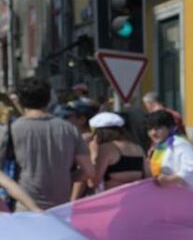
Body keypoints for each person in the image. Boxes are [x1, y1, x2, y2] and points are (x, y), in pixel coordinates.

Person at [0, 81, 93, 209]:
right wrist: (65, 178)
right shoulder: (69, 129)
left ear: (20, 101)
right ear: (48, 100)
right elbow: (89, 171)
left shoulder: (11, 129)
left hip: (25, 206)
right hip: (60, 207)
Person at [145, 109, 193, 188]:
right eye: (150, 129)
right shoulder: (157, 147)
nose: (153, 133)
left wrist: (170, 179)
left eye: (158, 128)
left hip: (180, 196)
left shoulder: (180, 144)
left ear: (170, 128)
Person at [89, 112, 146, 191]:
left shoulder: (107, 149)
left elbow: (93, 182)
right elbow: (148, 176)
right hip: (136, 198)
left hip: (114, 200)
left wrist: (93, 153)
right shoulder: (138, 148)